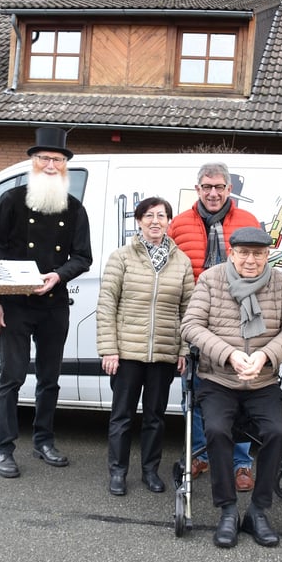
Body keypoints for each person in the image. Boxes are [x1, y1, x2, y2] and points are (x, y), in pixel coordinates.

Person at [181, 226, 282, 548]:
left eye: (258, 253)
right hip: (219, 379)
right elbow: (190, 326)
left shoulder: (279, 283)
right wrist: (230, 354)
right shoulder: (210, 280)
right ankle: (227, 511)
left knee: (278, 432)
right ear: (232, 254)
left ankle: (258, 511)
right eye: (244, 253)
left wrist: (267, 354)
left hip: (263, 381)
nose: (251, 260)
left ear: (268, 255)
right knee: (217, 430)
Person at [0, 127, 92, 478]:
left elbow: (83, 257)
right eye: (44, 158)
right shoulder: (11, 201)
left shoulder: (74, 209)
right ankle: (4, 447)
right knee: (12, 376)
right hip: (14, 304)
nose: (51, 165)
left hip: (54, 303)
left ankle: (44, 440)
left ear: (65, 166)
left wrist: (58, 275)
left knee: (49, 378)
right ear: (33, 162)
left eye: (57, 160)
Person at [168, 162, 260, 492]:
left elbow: (260, 270)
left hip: (239, 324)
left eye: (219, 186)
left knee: (239, 395)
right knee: (194, 393)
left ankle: (241, 463)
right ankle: (200, 454)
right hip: (196, 323)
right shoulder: (178, 225)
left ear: (229, 188)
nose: (213, 193)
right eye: (207, 186)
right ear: (197, 189)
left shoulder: (248, 222)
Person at [97, 197, 195, 496]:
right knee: (122, 415)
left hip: (164, 353)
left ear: (169, 221)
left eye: (161, 216)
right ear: (138, 221)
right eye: (149, 215)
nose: (155, 221)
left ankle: (150, 471)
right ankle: (118, 472)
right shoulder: (122, 257)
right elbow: (106, 304)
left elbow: (188, 308)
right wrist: (109, 349)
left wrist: (183, 350)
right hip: (126, 353)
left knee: (155, 417)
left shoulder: (181, 261)